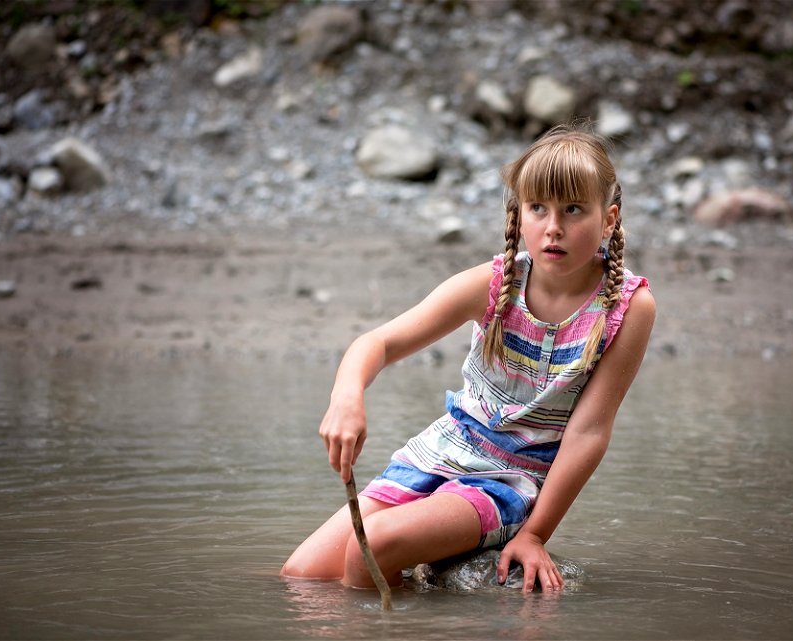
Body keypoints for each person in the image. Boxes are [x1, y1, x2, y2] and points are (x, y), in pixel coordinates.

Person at [280, 124, 655, 593]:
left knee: (370, 548)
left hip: (514, 478)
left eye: (573, 209)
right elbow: (378, 344)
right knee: (301, 579)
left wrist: (537, 533)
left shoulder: (627, 307)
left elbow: (589, 431)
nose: (553, 226)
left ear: (609, 219)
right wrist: (346, 396)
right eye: (538, 208)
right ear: (519, 216)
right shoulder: (494, 283)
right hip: (441, 452)